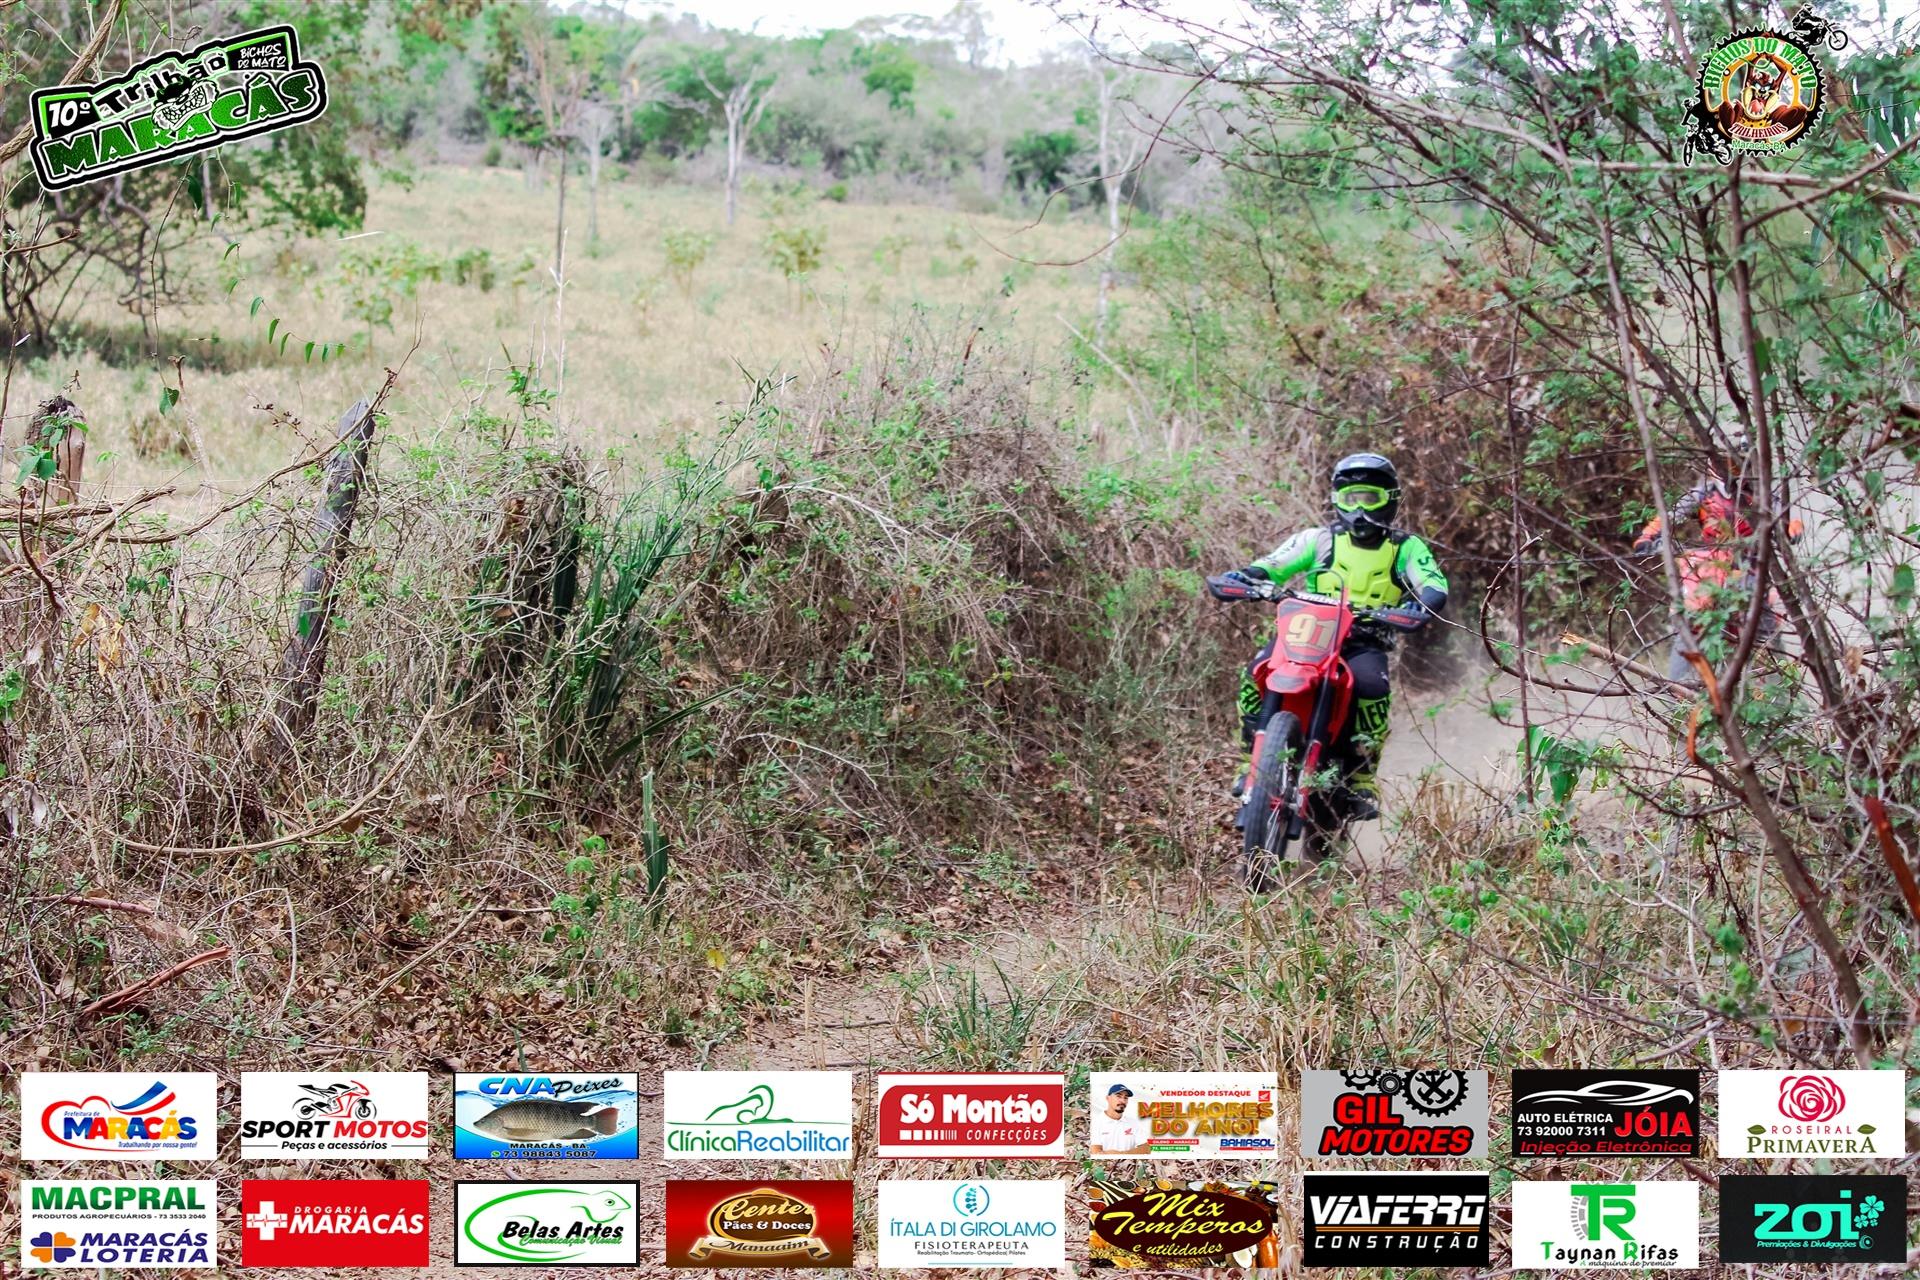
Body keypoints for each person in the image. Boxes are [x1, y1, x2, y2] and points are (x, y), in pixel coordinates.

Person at [1219, 454, 1448, 820]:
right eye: (1350, 499)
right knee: (1256, 671)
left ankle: (1362, 779)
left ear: (1389, 500)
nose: (1359, 510)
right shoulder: (1319, 540)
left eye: (1369, 499)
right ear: (1336, 499)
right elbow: (1274, 564)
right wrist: (1245, 576)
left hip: (1364, 640)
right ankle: (1251, 760)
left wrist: (1422, 604)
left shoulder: (1407, 548)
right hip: (1307, 632)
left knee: (1372, 686)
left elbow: (1433, 583)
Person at [1631, 449, 1800, 682]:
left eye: (1734, 465)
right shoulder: (1704, 492)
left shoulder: (1759, 494)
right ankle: (1678, 686)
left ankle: (1780, 686)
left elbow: (1786, 517)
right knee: (1690, 618)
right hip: (1712, 566)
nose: (1728, 470)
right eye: (1723, 464)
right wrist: (1648, 537)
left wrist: (1792, 530)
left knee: (1764, 629)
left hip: (1751, 565)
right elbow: (1671, 515)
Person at [1089, 1083, 1151, 1155]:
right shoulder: (1096, 1122)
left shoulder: (1133, 1123)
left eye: (1125, 1098)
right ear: (1108, 1098)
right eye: (1118, 1096)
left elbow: (1147, 1148)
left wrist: (1123, 1154)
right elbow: (1096, 1151)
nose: (1123, 1101)